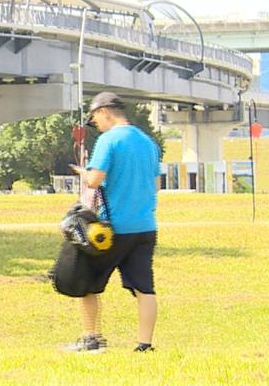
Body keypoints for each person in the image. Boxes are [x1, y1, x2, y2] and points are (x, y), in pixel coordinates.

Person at [68, 92, 160, 353]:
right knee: (144, 288)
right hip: (145, 226)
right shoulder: (148, 142)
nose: (95, 124)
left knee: (86, 281)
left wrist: (83, 173)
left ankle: (91, 339)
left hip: (111, 229)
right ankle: (145, 344)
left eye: (95, 118)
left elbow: (95, 180)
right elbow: (155, 185)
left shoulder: (109, 140)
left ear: (105, 112)